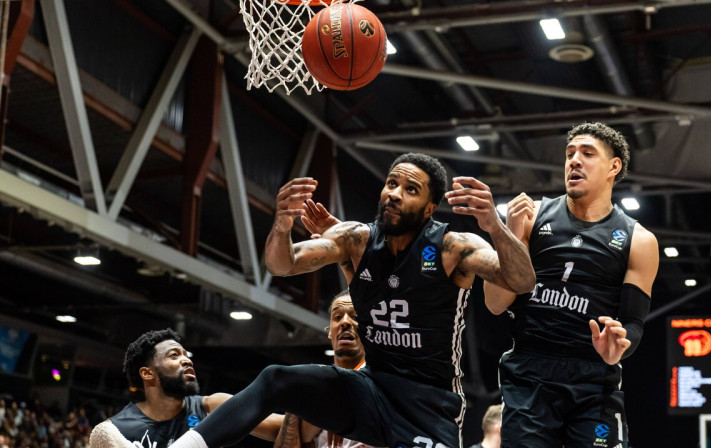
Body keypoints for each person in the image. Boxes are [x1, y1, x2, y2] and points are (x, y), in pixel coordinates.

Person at [165, 152, 535, 448]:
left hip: (428, 405)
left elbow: (522, 279)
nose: (394, 193)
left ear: (428, 209)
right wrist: (281, 224)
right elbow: (283, 264)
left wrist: (495, 226)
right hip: (371, 390)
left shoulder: (453, 247)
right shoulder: (356, 240)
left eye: (410, 189)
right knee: (276, 378)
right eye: (391, 183)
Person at [484, 122, 660, 448]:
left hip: (593, 378)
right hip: (530, 372)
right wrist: (509, 235)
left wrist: (618, 347)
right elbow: (495, 303)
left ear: (614, 166)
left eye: (587, 153)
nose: (574, 160)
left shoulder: (639, 240)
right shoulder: (531, 215)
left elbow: (633, 324)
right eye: (569, 154)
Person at [88, 329, 283, 448]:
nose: (187, 360)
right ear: (148, 374)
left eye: (186, 354)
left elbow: (278, 427)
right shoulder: (115, 430)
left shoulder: (211, 406)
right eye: (174, 355)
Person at [273, 290, 384, 448]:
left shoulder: (384, 381)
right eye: (337, 317)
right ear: (330, 332)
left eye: (355, 316)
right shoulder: (317, 389)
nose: (345, 322)